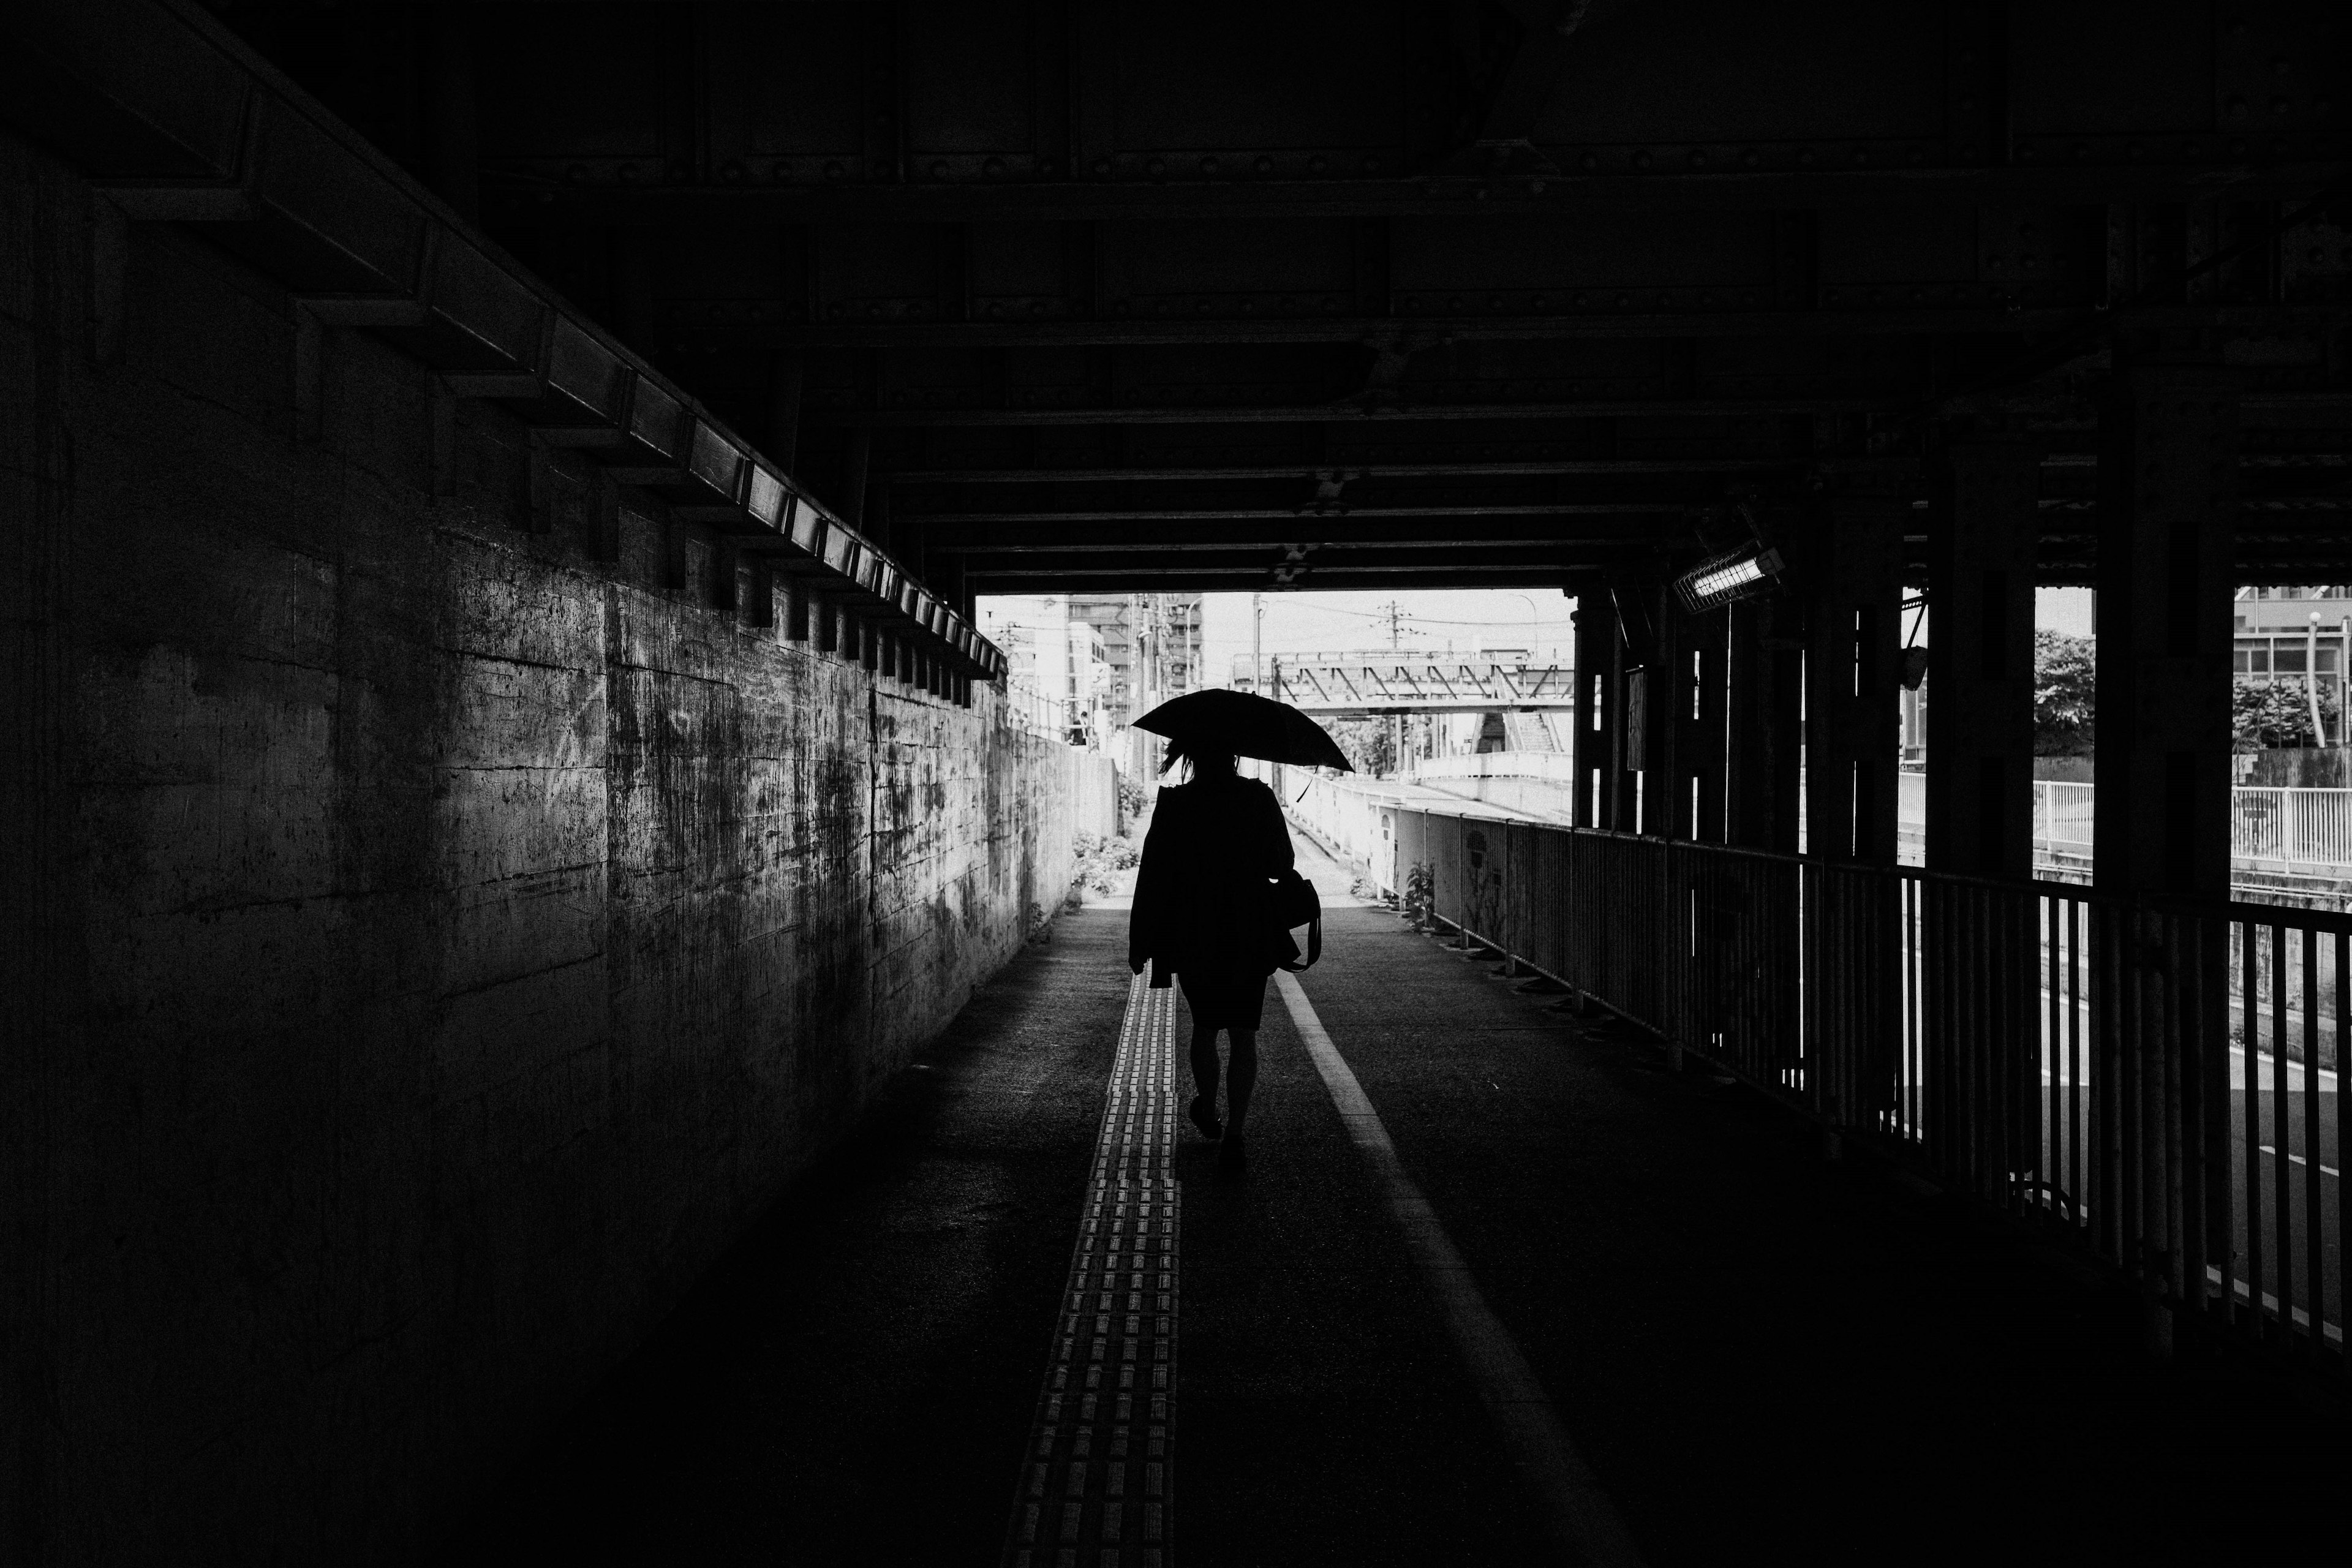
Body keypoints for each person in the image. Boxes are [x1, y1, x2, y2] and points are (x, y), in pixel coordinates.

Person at [1128, 744, 1298, 1166]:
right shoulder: (1258, 796)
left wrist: (1140, 940)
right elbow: (1283, 864)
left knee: (1205, 1027)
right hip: (1248, 931)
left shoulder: (1176, 802)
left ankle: (1207, 1105)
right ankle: (1235, 1133)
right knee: (1244, 1034)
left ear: (1192, 757)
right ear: (1234, 756)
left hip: (1194, 932)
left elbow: (1153, 873)